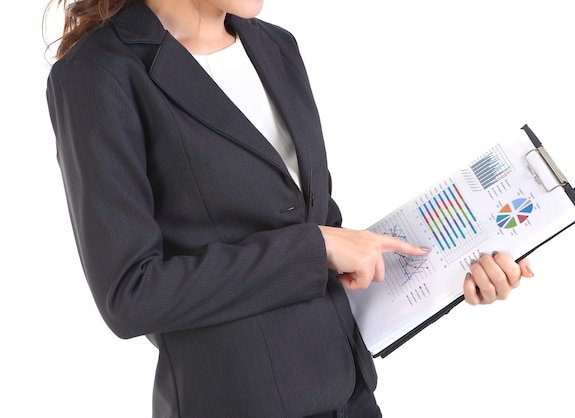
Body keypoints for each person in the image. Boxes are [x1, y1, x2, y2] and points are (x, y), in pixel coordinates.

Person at [45, 0, 534, 416]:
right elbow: (131, 295)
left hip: (351, 396)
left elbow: (323, 243)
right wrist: (315, 246)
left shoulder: (275, 46)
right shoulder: (97, 74)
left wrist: (452, 271)